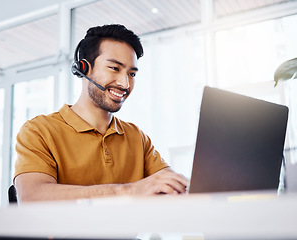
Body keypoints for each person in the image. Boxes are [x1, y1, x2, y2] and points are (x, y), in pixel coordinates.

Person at [14, 24, 188, 202]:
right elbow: (31, 197)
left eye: (132, 74)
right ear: (84, 68)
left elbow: (171, 186)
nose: (125, 84)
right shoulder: (39, 131)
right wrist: (127, 191)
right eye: (114, 68)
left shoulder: (136, 137)